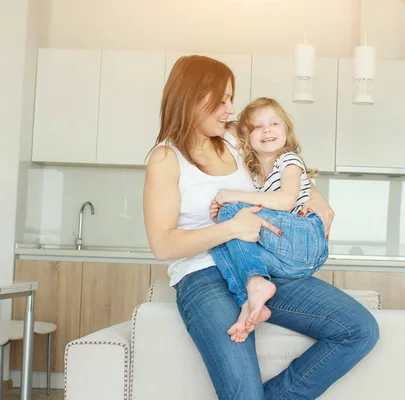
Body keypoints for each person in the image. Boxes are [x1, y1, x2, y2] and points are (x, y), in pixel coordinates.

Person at [143, 54, 379, 400]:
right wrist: (232, 228)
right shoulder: (165, 159)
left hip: (263, 265)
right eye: (221, 100)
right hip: (203, 275)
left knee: (359, 330)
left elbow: (280, 163)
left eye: (229, 98)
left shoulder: (234, 139)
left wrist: (316, 196)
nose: (229, 108)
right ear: (193, 98)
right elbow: (163, 245)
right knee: (242, 393)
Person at [207, 97, 329, 342]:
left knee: (233, 214)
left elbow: (285, 201)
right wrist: (221, 212)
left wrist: (231, 199)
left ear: (286, 130)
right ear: (246, 137)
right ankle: (249, 302)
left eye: (274, 123)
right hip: (287, 257)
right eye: (257, 127)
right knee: (220, 238)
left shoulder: (289, 160)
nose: (267, 130)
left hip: (306, 238)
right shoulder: (254, 176)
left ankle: (256, 287)